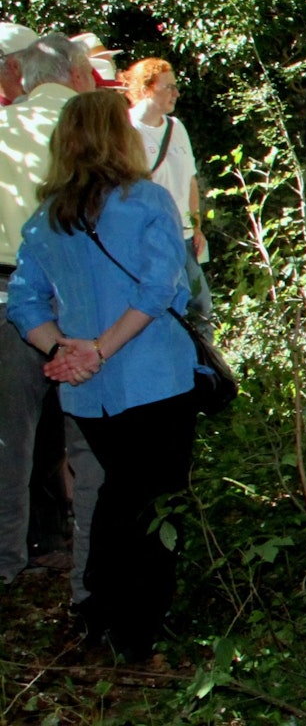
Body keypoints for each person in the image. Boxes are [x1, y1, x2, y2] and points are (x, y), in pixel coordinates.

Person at [7, 89, 198, 663]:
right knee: (154, 504)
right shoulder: (147, 203)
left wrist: (65, 349)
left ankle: (100, 613)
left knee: (117, 496)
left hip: (89, 394)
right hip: (153, 380)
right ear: (120, 138)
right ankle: (137, 632)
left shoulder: (45, 219)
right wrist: (93, 348)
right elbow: (160, 289)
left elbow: (24, 303)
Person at [0, 32, 101, 595]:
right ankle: (91, 573)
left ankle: (5, 564)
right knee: (90, 441)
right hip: (87, 300)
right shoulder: (99, 131)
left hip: (8, 293)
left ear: (19, 77)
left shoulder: (3, 131)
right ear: (78, 73)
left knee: (8, 440)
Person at [124, 58, 211, 323]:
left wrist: (196, 226)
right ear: (146, 89)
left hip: (184, 235)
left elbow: (190, 180)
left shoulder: (177, 128)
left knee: (201, 309)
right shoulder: (126, 130)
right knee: (169, 310)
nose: (176, 93)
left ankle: (201, 365)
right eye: (168, 87)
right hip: (151, 237)